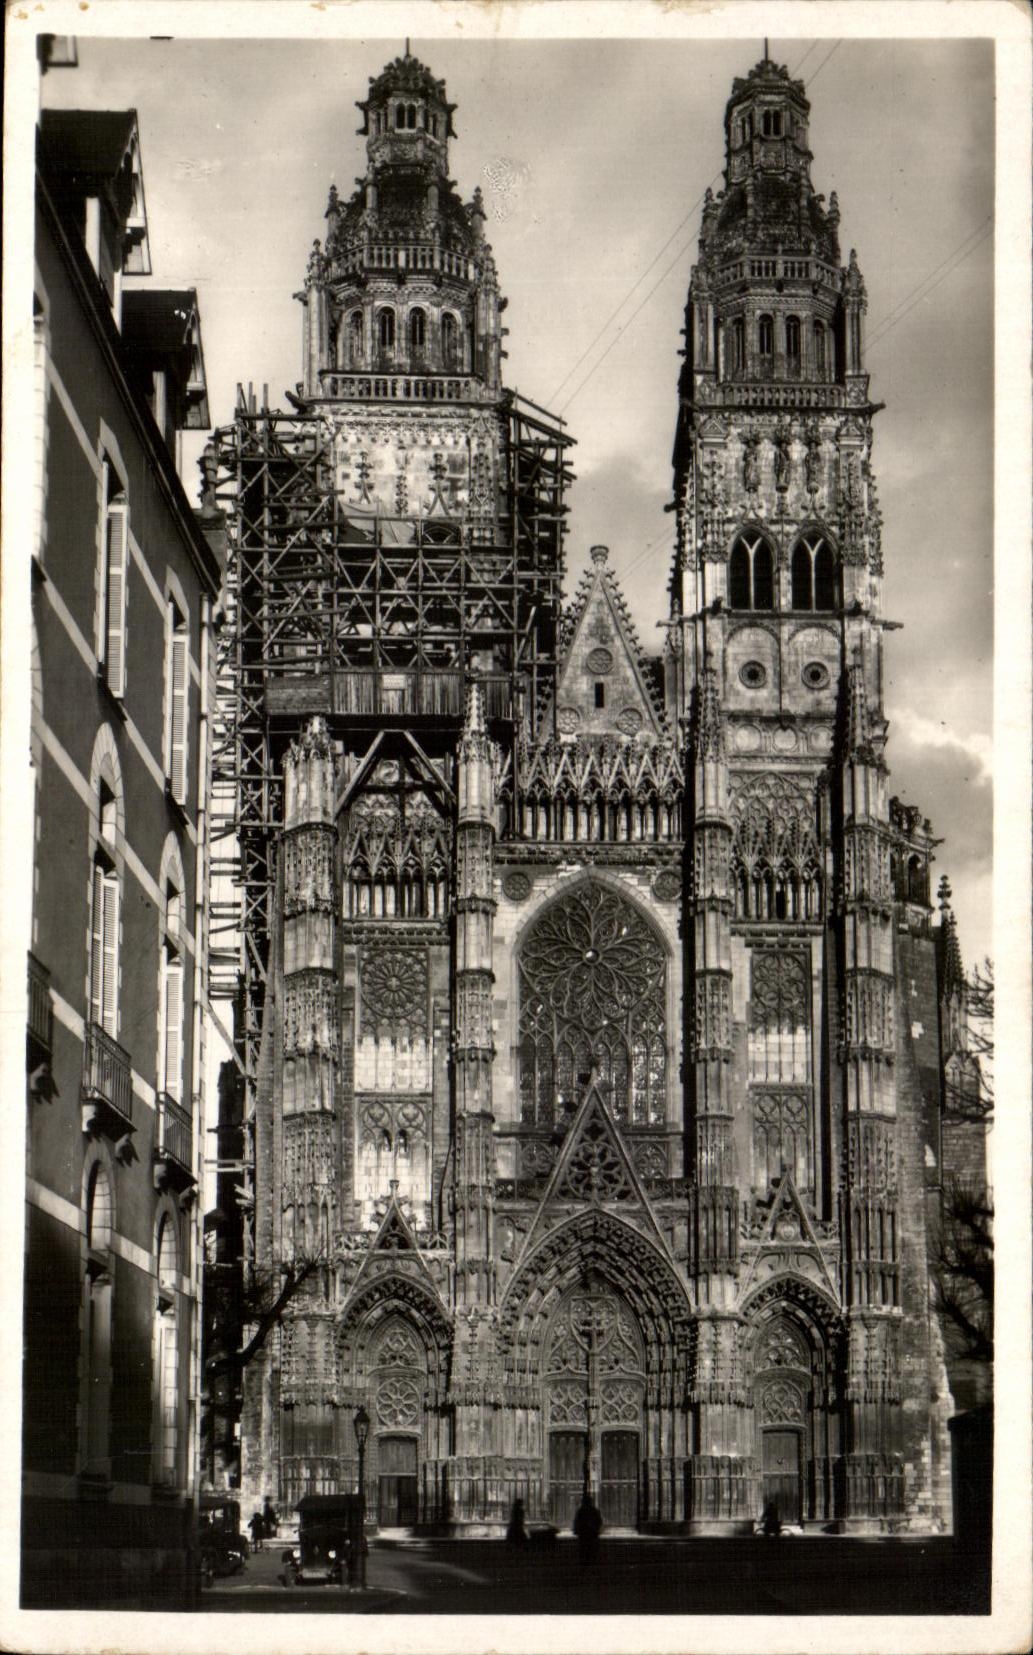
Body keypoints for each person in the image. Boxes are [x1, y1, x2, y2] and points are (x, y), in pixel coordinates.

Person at [573, 1492, 602, 1563]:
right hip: (591, 1532)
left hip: (584, 1533)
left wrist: (576, 1530)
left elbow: (577, 1521)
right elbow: (599, 1521)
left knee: (584, 1548)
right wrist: (597, 1529)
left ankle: (584, 1560)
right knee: (591, 1548)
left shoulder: (581, 1511)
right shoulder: (594, 1510)